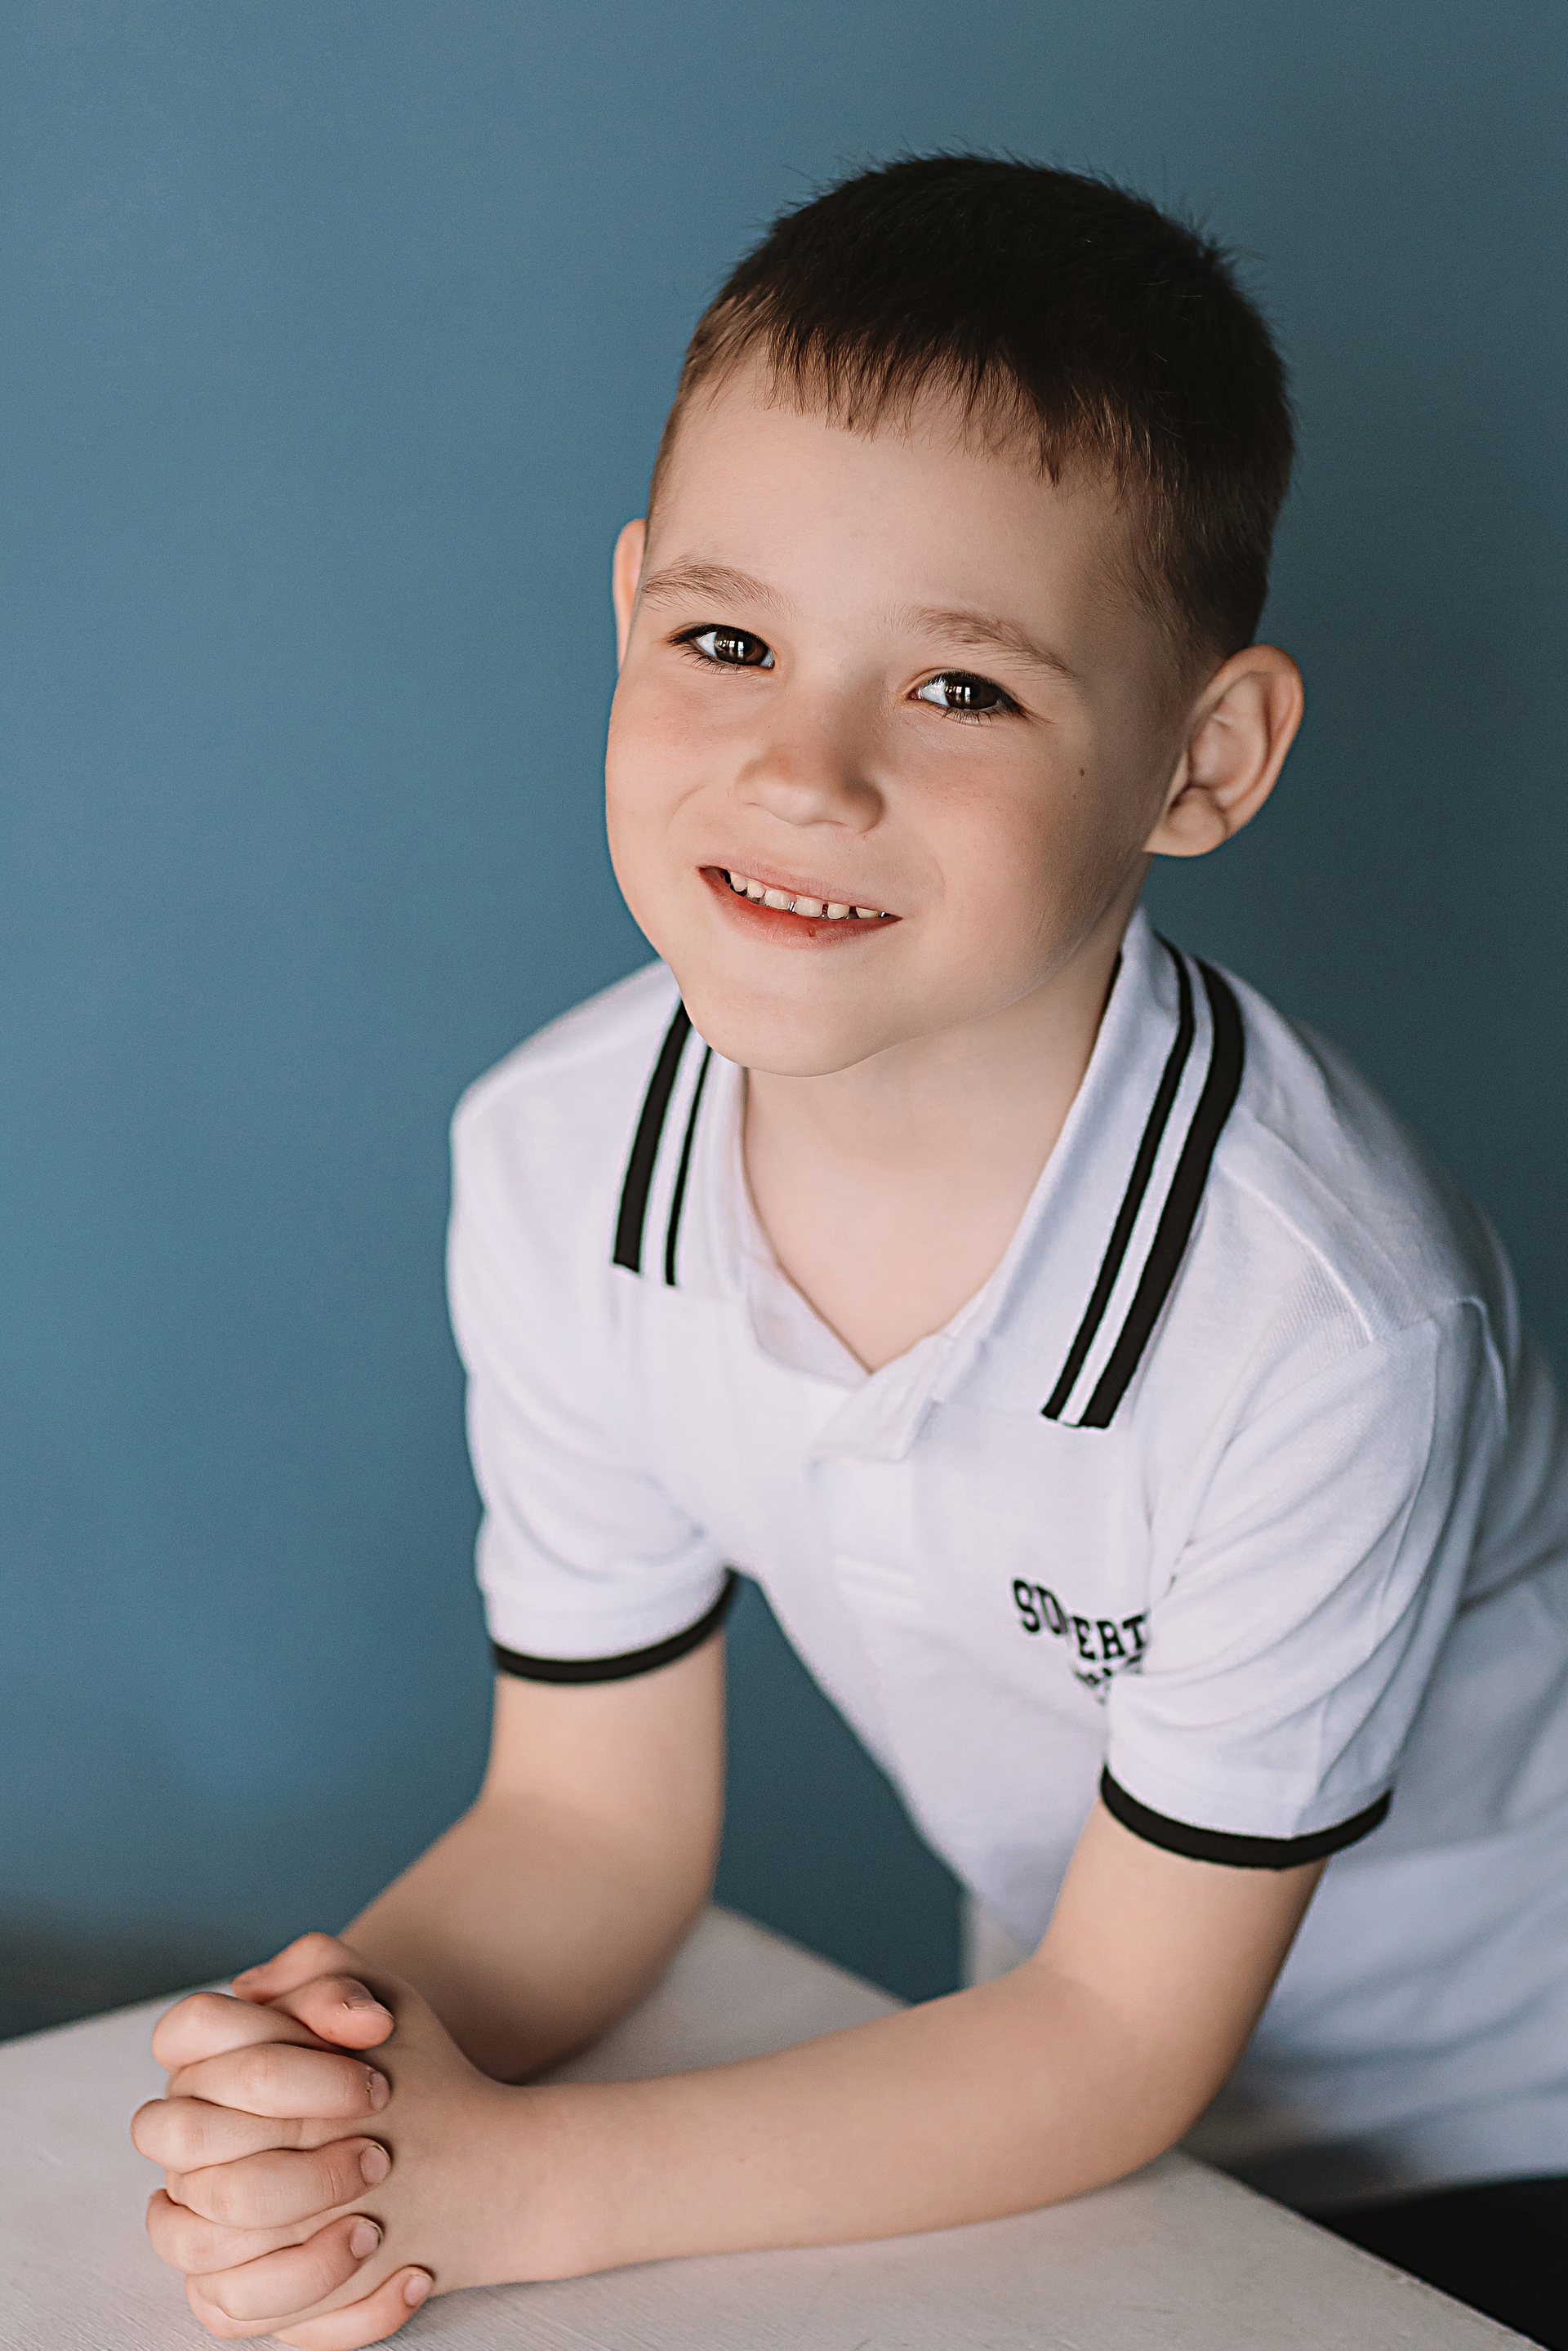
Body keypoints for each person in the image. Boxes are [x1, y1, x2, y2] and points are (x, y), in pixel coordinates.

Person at [131, 156, 1568, 2350]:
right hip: (1075, 2107)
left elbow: (1119, 2035)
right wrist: (334, 2081)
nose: (804, 772)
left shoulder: (1330, 1327)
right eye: (729, 642)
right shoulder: (555, 1157)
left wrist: (519, 2188)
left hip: (1490, 2133)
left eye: (964, 690)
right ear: (631, 608)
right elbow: (589, 1833)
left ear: (1202, 759)